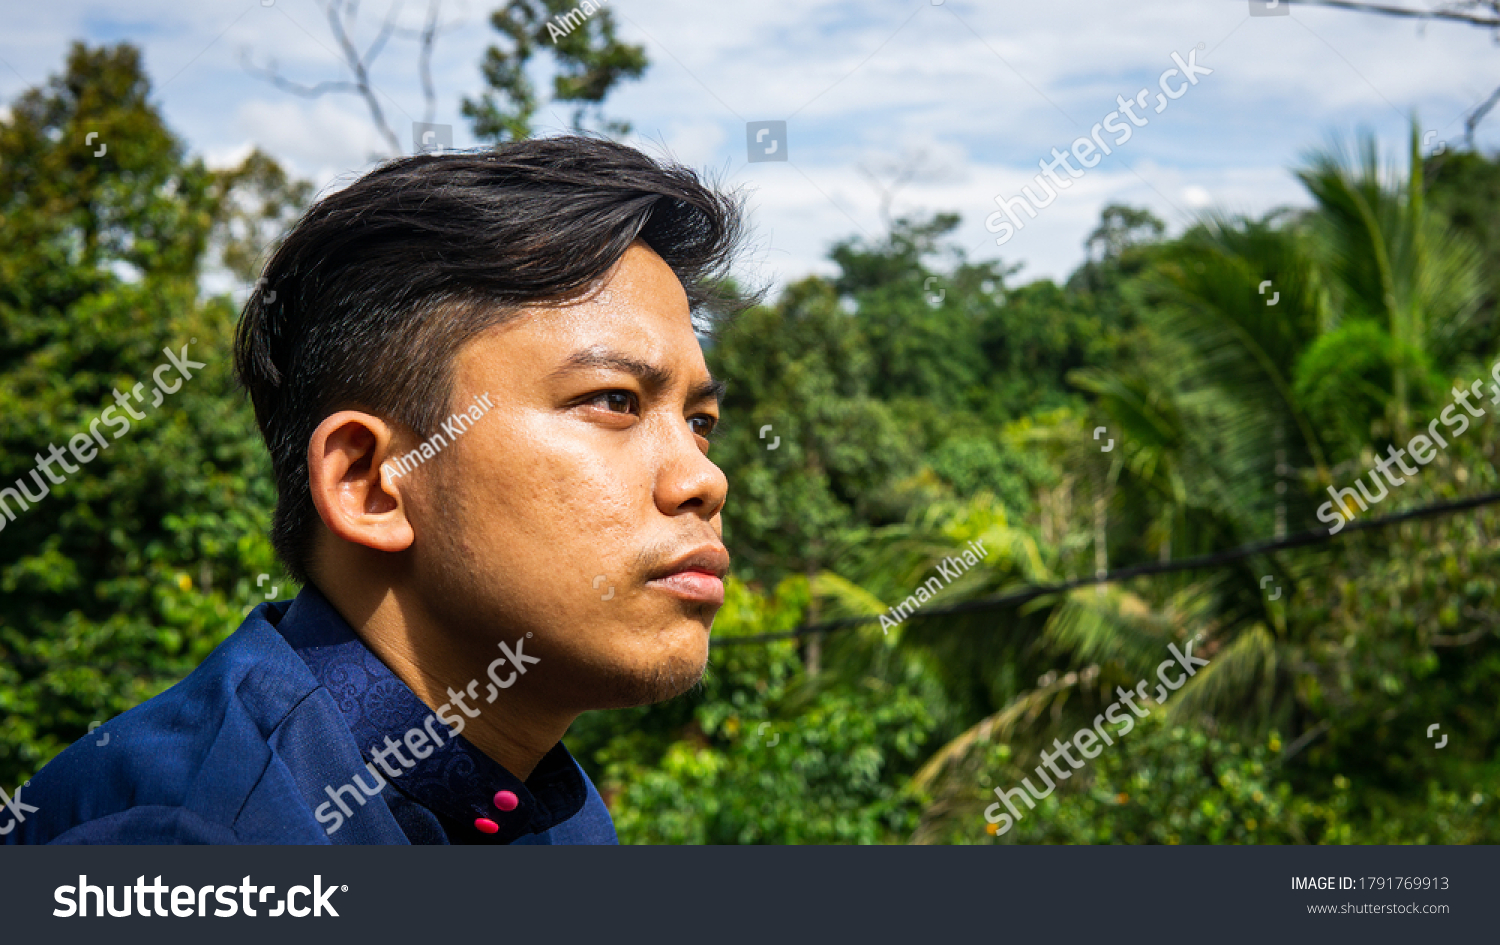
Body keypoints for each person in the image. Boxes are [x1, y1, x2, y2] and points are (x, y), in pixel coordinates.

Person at [9, 135, 755, 844]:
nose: (703, 476)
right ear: (369, 482)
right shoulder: (191, 841)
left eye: (699, 419)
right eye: (615, 400)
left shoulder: (551, 807)